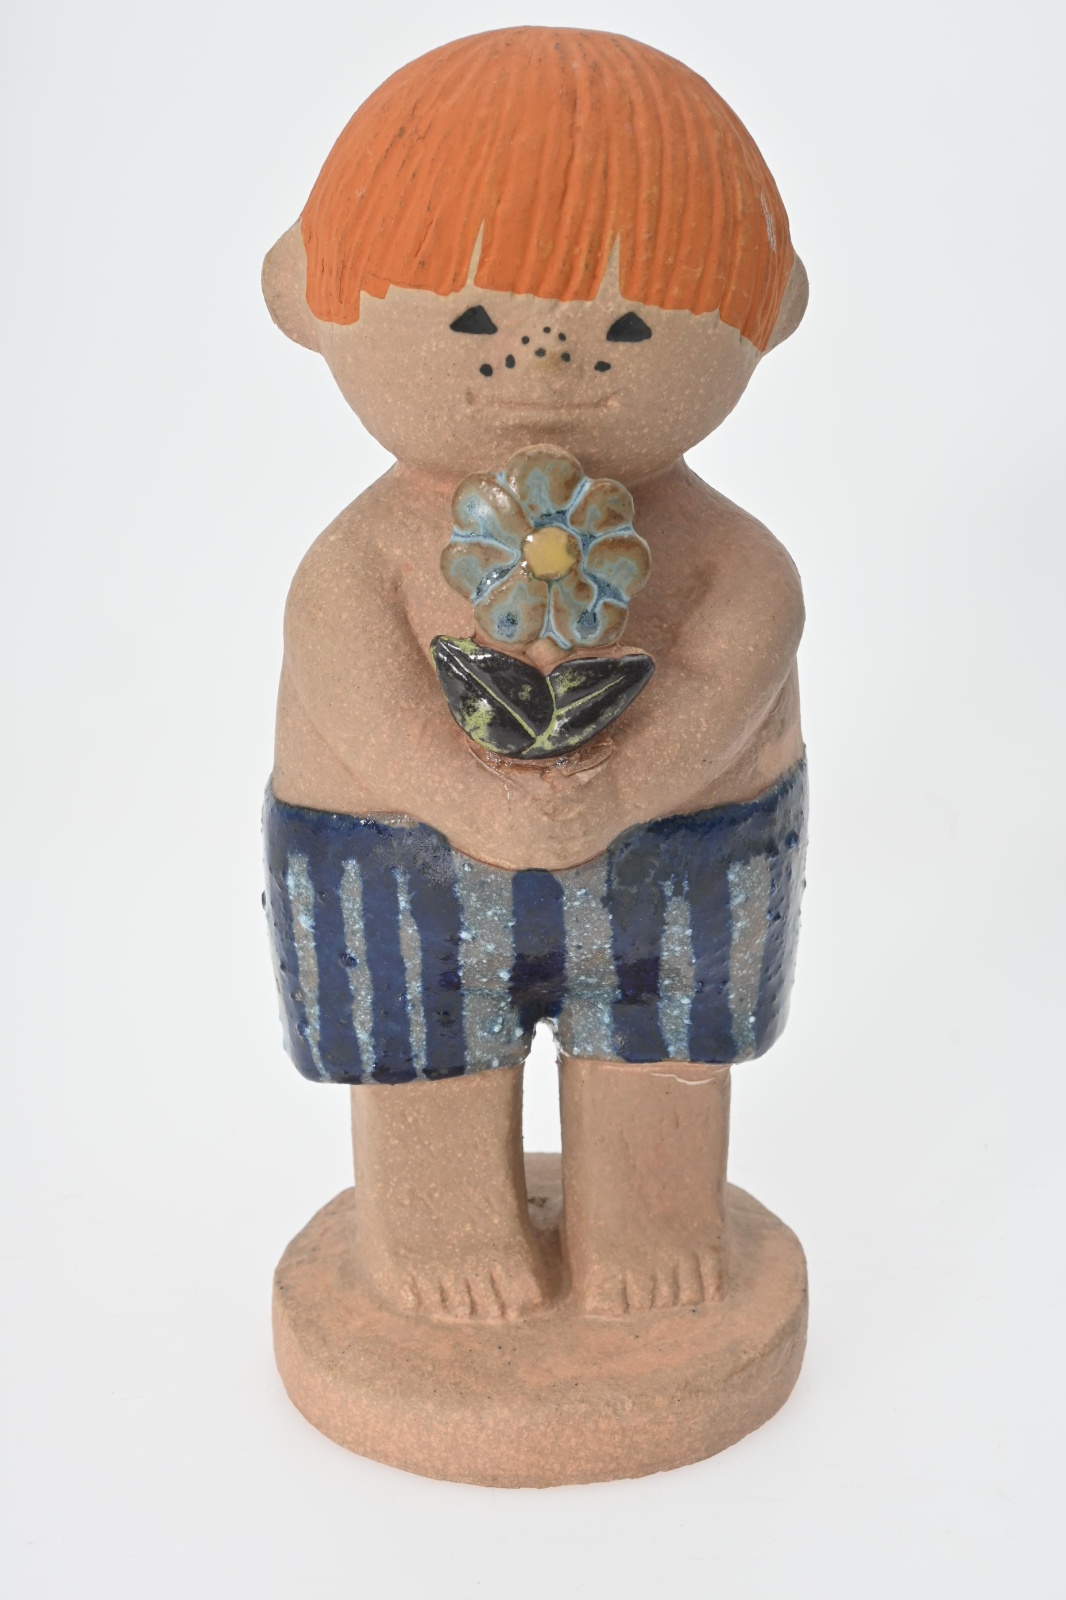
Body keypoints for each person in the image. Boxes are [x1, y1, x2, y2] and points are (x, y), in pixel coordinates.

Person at [263, 26, 809, 1319]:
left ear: (772, 315)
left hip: (675, 840)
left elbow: (734, 665)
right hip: (398, 850)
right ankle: (433, 1229)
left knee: (661, 1045)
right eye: (471, 319)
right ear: (301, 298)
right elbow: (353, 688)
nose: (551, 361)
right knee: (421, 1054)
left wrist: (624, 783)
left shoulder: (729, 562)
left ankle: (651, 1224)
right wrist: (466, 795)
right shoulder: (358, 563)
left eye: (627, 325)